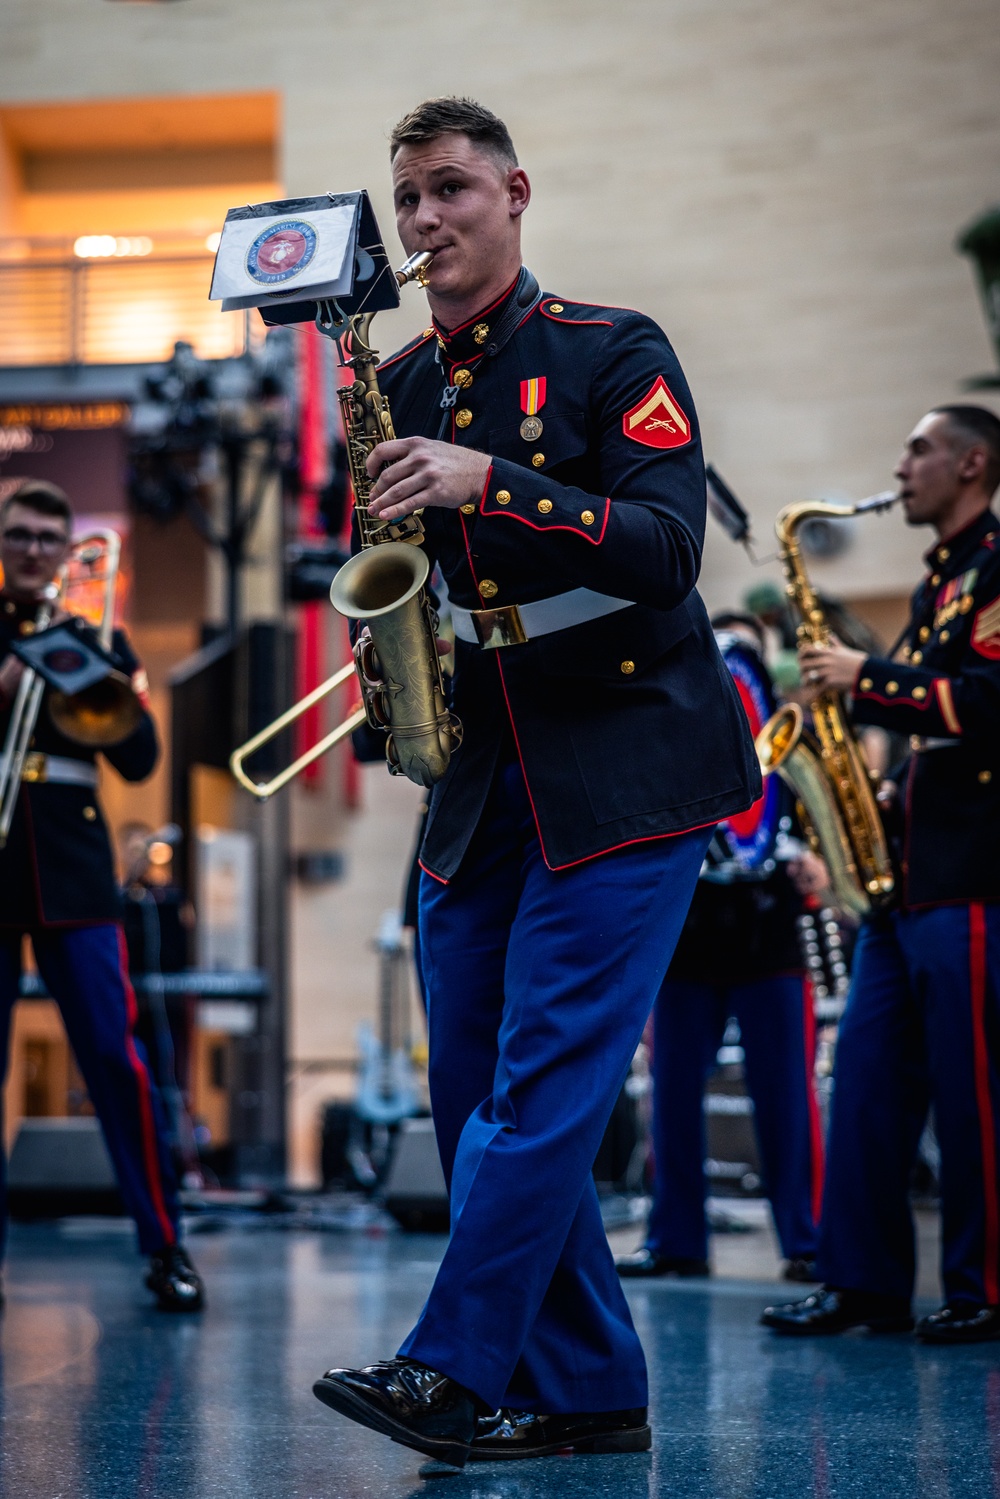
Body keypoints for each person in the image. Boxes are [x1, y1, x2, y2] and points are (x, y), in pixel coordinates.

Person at [311, 97, 760, 1469]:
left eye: (450, 191)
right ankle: (586, 1387)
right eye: (408, 203)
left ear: (513, 191)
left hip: (626, 762)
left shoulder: (610, 346)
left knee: (543, 1080)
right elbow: (402, 572)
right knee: (471, 1098)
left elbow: (668, 551)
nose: (427, 221)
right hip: (480, 775)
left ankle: (454, 1365)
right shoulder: (400, 376)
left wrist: (488, 478)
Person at [761, 404, 1000, 1344]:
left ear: (973, 463)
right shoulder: (945, 580)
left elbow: (986, 700)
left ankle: (983, 1286)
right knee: (860, 1080)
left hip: (974, 873)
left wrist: (865, 678)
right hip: (906, 880)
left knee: (973, 1087)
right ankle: (861, 1280)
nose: (901, 465)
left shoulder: (993, 570)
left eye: (921, 448)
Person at [0, 480, 203, 1313]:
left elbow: (141, 757)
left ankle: (165, 1245)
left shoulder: (97, 636)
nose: (38, 548)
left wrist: (100, 680)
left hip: (75, 866)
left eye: (52, 535)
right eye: (22, 533)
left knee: (117, 1062)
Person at [616, 614, 824, 1285]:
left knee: (787, 1095)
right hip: (690, 932)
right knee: (671, 1092)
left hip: (770, 934)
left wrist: (814, 861)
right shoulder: (671, 727)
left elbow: (818, 819)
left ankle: (809, 1240)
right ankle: (676, 1238)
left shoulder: (797, 737)